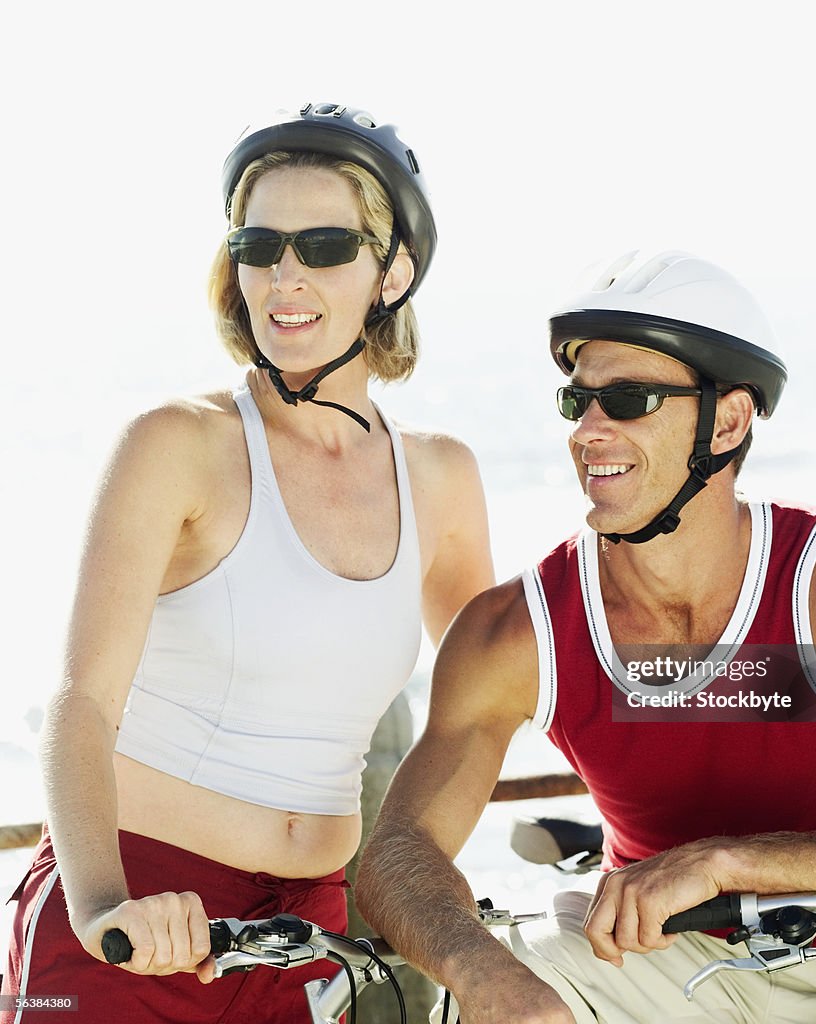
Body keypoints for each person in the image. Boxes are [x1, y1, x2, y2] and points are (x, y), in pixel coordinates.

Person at [356, 250, 816, 1023]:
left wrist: (724, 864)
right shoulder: (515, 633)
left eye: (628, 400)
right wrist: (481, 973)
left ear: (729, 420)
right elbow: (399, 852)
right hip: (645, 960)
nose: (587, 433)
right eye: (579, 404)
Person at [1, 102, 493, 1023]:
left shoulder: (442, 477)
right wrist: (102, 902)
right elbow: (81, 704)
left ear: (392, 273)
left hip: (307, 932)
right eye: (259, 244)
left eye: (322, 245)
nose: (284, 274)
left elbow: (491, 703)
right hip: (140, 911)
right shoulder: (176, 444)